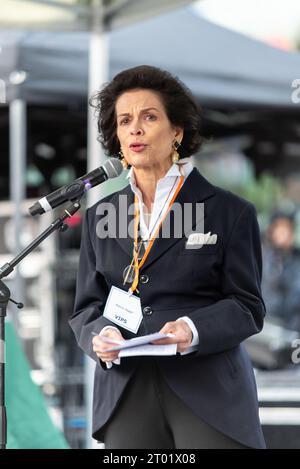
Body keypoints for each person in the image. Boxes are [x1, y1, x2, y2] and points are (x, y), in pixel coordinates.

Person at [69, 65, 266, 449]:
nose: (135, 129)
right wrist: (99, 334)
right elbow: (85, 309)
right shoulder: (99, 216)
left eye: (149, 117)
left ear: (177, 131)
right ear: (117, 136)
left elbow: (248, 306)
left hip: (208, 392)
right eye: (124, 120)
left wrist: (191, 329)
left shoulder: (229, 212)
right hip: (126, 393)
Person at [262, 211, 300, 332]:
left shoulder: (295, 261)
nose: (283, 233)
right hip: (263, 324)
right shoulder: (263, 257)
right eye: (279, 228)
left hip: (288, 329)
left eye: (287, 228)